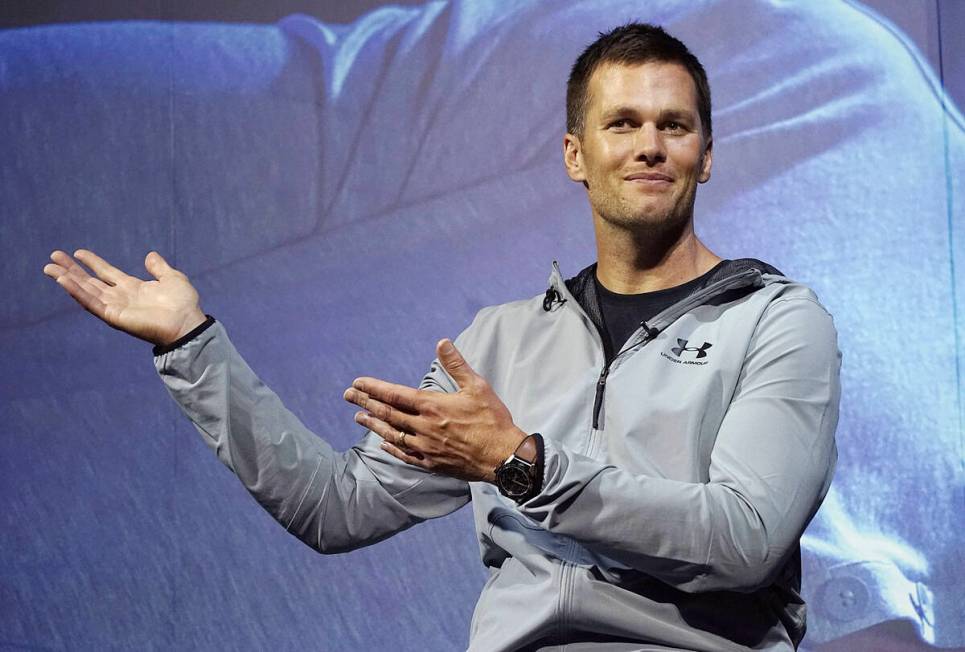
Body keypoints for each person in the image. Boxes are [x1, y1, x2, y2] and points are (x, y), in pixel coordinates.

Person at [43, 23, 840, 652]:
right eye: (621, 123)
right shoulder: (493, 343)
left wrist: (519, 466)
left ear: (703, 158)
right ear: (576, 155)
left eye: (674, 126)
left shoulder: (772, 319)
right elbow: (336, 508)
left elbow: (743, 542)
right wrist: (192, 345)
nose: (649, 146)